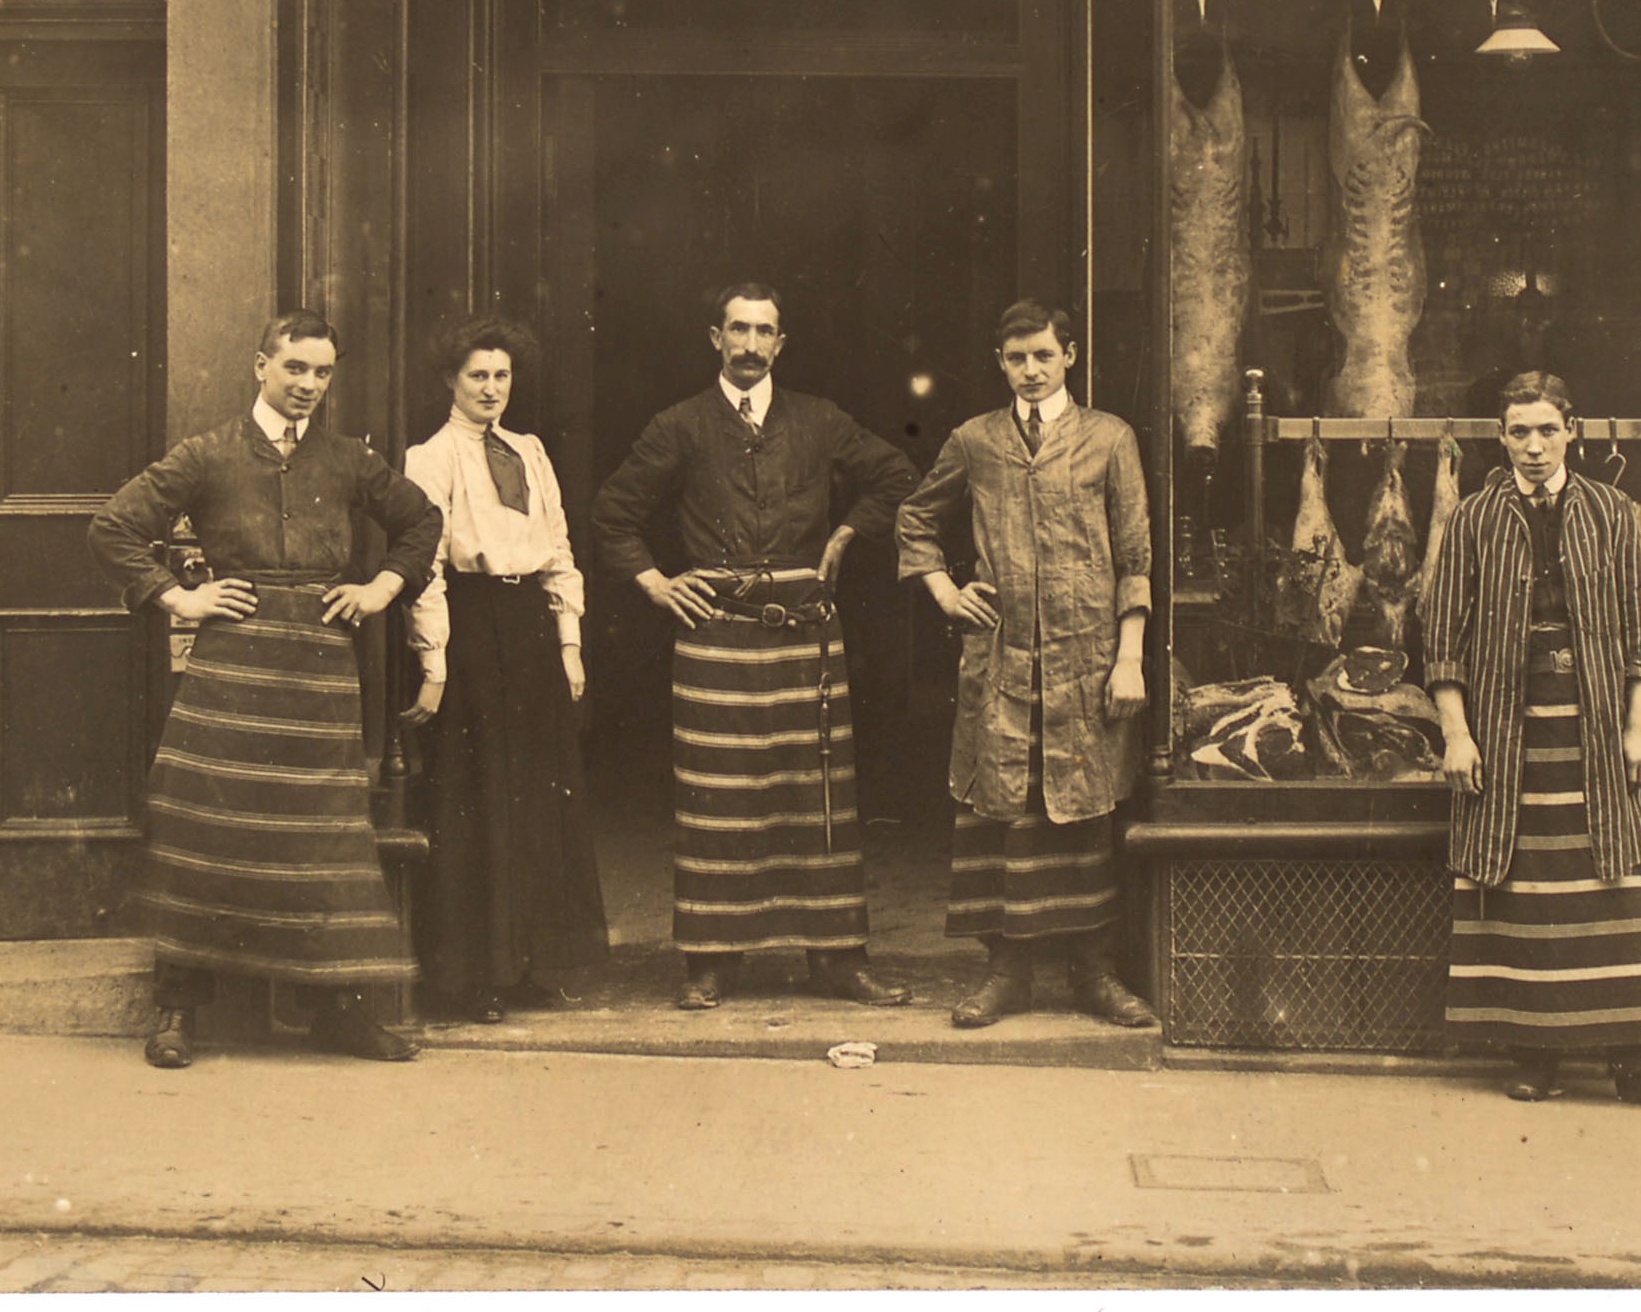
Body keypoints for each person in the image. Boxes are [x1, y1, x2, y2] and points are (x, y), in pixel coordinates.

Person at [89, 311, 442, 1069]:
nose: (308, 386)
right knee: (205, 831)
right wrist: (178, 598)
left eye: (321, 373)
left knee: (324, 842)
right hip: (233, 671)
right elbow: (113, 527)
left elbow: (422, 520)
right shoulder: (207, 454)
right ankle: (178, 1011)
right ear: (260, 366)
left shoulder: (348, 460)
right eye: (295, 369)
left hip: (318, 672)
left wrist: (382, 585)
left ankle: (336, 1012)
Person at [587, 283, 921, 1011]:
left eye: (763, 331)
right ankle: (711, 963)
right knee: (720, 801)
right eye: (736, 329)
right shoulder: (677, 425)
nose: (749, 343)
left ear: (781, 342)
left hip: (806, 638)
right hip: (715, 641)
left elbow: (899, 479)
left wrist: (844, 534)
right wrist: (655, 583)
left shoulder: (820, 420)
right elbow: (612, 515)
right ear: (715, 338)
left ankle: (838, 960)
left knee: (818, 798)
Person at [1421, 371, 1641, 1117]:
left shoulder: (1616, 513)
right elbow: (1443, 642)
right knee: (1524, 889)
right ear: (1500, 437)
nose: (1535, 446)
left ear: (1572, 432)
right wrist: (1457, 734)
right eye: (1519, 431)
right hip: (1506, 727)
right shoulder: (1475, 520)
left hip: (1597, 722)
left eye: (1548, 430)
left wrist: (1637, 726)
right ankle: (1537, 1054)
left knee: (1611, 887)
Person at [895, 301, 1159, 1030]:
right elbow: (915, 519)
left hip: (1088, 662)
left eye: (1044, 354)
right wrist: (946, 592)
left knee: (1082, 814)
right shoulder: (975, 441)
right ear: (1000, 363)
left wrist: (1129, 656)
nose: (1032, 370)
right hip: (1003, 664)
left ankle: (1094, 975)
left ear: (1069, 355)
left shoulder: (1110, 439)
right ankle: (1005, 975)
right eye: (1017, 359)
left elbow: (1135, 555)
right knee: (1004, 814)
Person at [401, 314, 610, 1024]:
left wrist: (570, 644)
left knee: (535, 797)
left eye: (502, 375)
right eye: (477, 376)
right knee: (478, 799)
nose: (492, 389)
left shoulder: (530, 450)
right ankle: (472, 977)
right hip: (472, 627)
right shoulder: (430, 458)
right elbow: (425, 568)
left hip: (530, 633)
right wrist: (434, 665)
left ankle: (528, 963)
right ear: (449, 382)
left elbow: (558, 545)